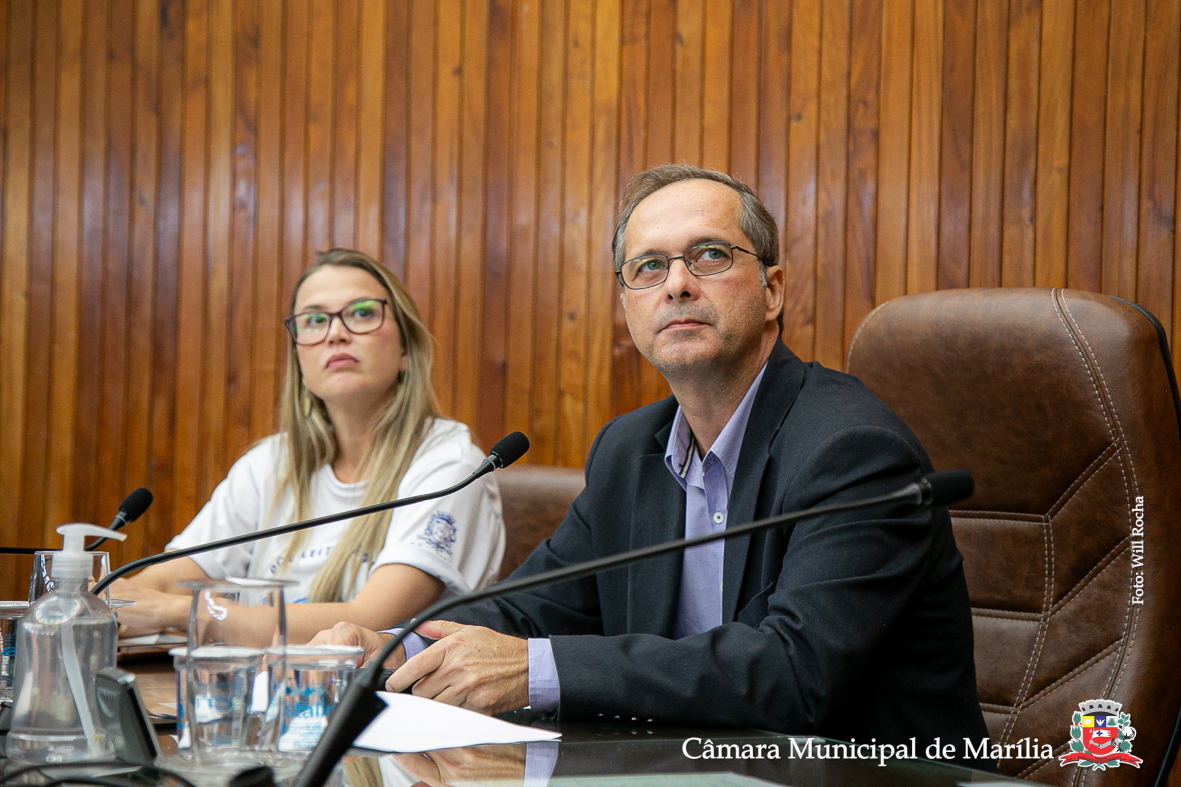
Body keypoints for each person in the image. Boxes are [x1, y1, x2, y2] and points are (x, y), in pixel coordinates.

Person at [314, 166, 992, 767]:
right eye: (647, 267)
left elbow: (792, 674)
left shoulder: (851, 448)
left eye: (709, 256)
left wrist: (537, 671)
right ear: (627, 306)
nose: (676, 285)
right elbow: (532, 607)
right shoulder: (629, 450)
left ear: (772, 290)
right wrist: (392, 649)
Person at [112, 249, 505, 643]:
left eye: (362, 313)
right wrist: (108, 605)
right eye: (315, 320)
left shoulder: (450, 463)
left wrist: (183, 613)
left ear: (406, 349)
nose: (336, 333)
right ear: (299, 358)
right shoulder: (269, 464)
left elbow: (367, 620)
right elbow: (165, 583)